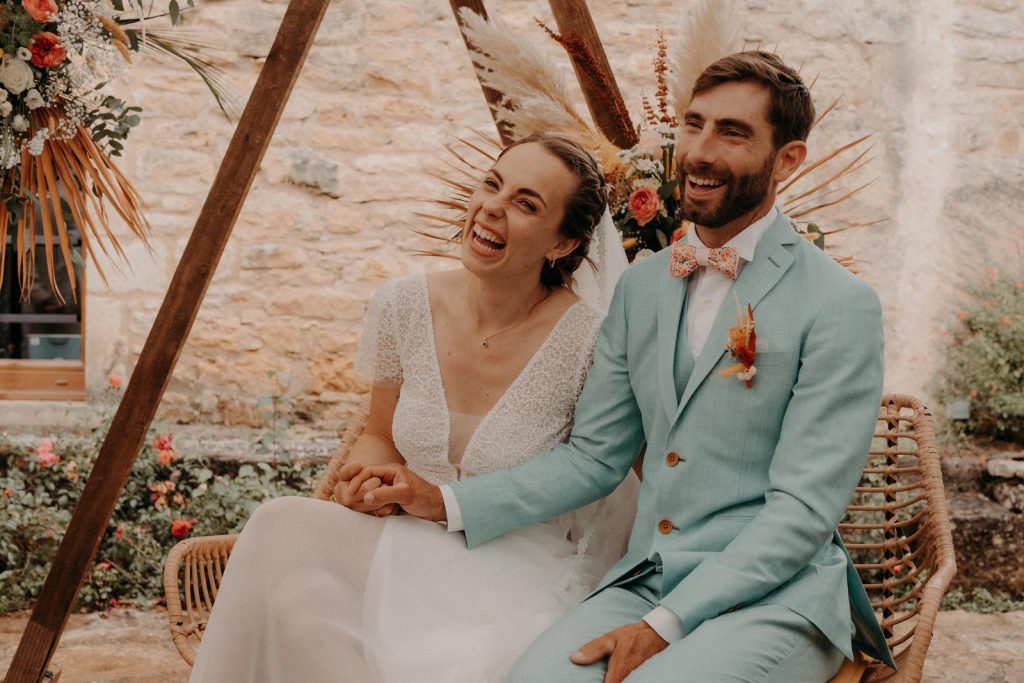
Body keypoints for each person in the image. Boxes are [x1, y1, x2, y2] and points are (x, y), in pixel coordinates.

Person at [346, 51, 898, 682]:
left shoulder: (840, 305)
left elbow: (803, 509)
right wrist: (443, 501)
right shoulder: (642, 288)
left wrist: (666, 626)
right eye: (694, 125)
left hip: (778, 597)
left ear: (788, 159)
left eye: (733, 132)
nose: (701, 151)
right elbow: (593, 458)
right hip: (646, 576)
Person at [188, 133, 638, 682]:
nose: (493, 206)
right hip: (398, 542)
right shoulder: (402, 304)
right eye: (492, 185)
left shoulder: (593, 341)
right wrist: (364, 478)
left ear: (562, 245)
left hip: (510, 562)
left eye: (526, 204)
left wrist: (442, 501)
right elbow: (378, 434)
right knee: (280, 531)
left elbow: (592, 468)